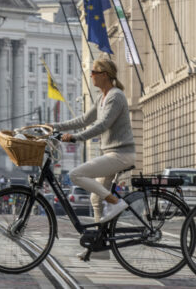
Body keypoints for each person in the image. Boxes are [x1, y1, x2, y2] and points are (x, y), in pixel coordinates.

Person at [44, 56, 135, 261]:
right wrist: (55, 126)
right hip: (112, 153)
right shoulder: (102, 97)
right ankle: (100, 248)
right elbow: (85, 119)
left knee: (76, 174)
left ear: (104, 75)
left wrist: (76, 138)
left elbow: (101, 125)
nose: (91, 75)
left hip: (121, 154)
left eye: (93, 72)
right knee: (95, 197)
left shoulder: (115, 96)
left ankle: (115, 202)